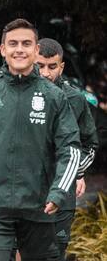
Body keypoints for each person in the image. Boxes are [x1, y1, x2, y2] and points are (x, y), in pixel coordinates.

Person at [0, 18, 82, 261]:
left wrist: (58, 193)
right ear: (3, 49)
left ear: (35, 50)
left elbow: (71, 149)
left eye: (25, 43)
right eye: (13, 43)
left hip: (39, 207)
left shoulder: (54, 96)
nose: (19, 49)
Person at [36, 38, 98, 261]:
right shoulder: (18, 94)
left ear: (61, 67)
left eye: (52, 66)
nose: (45, 72)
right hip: (25, 191)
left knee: (55, 252)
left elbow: (89, 143)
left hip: (62, 193)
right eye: (39, 65)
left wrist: (77, 172)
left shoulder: (75, 98)